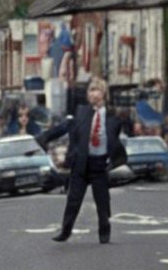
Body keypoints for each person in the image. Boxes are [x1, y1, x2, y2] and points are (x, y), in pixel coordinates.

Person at [37, 79, 127, 244]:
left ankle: (104, 232)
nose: (92, 94)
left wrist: (114, 158)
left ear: (103, 94)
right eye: (90, 91)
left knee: (102, 202)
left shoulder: (112, 116)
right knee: (73, 199)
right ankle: (65, 231)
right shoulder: (82, 113)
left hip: (99, 165)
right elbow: (65, 127)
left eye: (96, 90)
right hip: (81, 163)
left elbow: (115, 136)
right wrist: (45, 137)